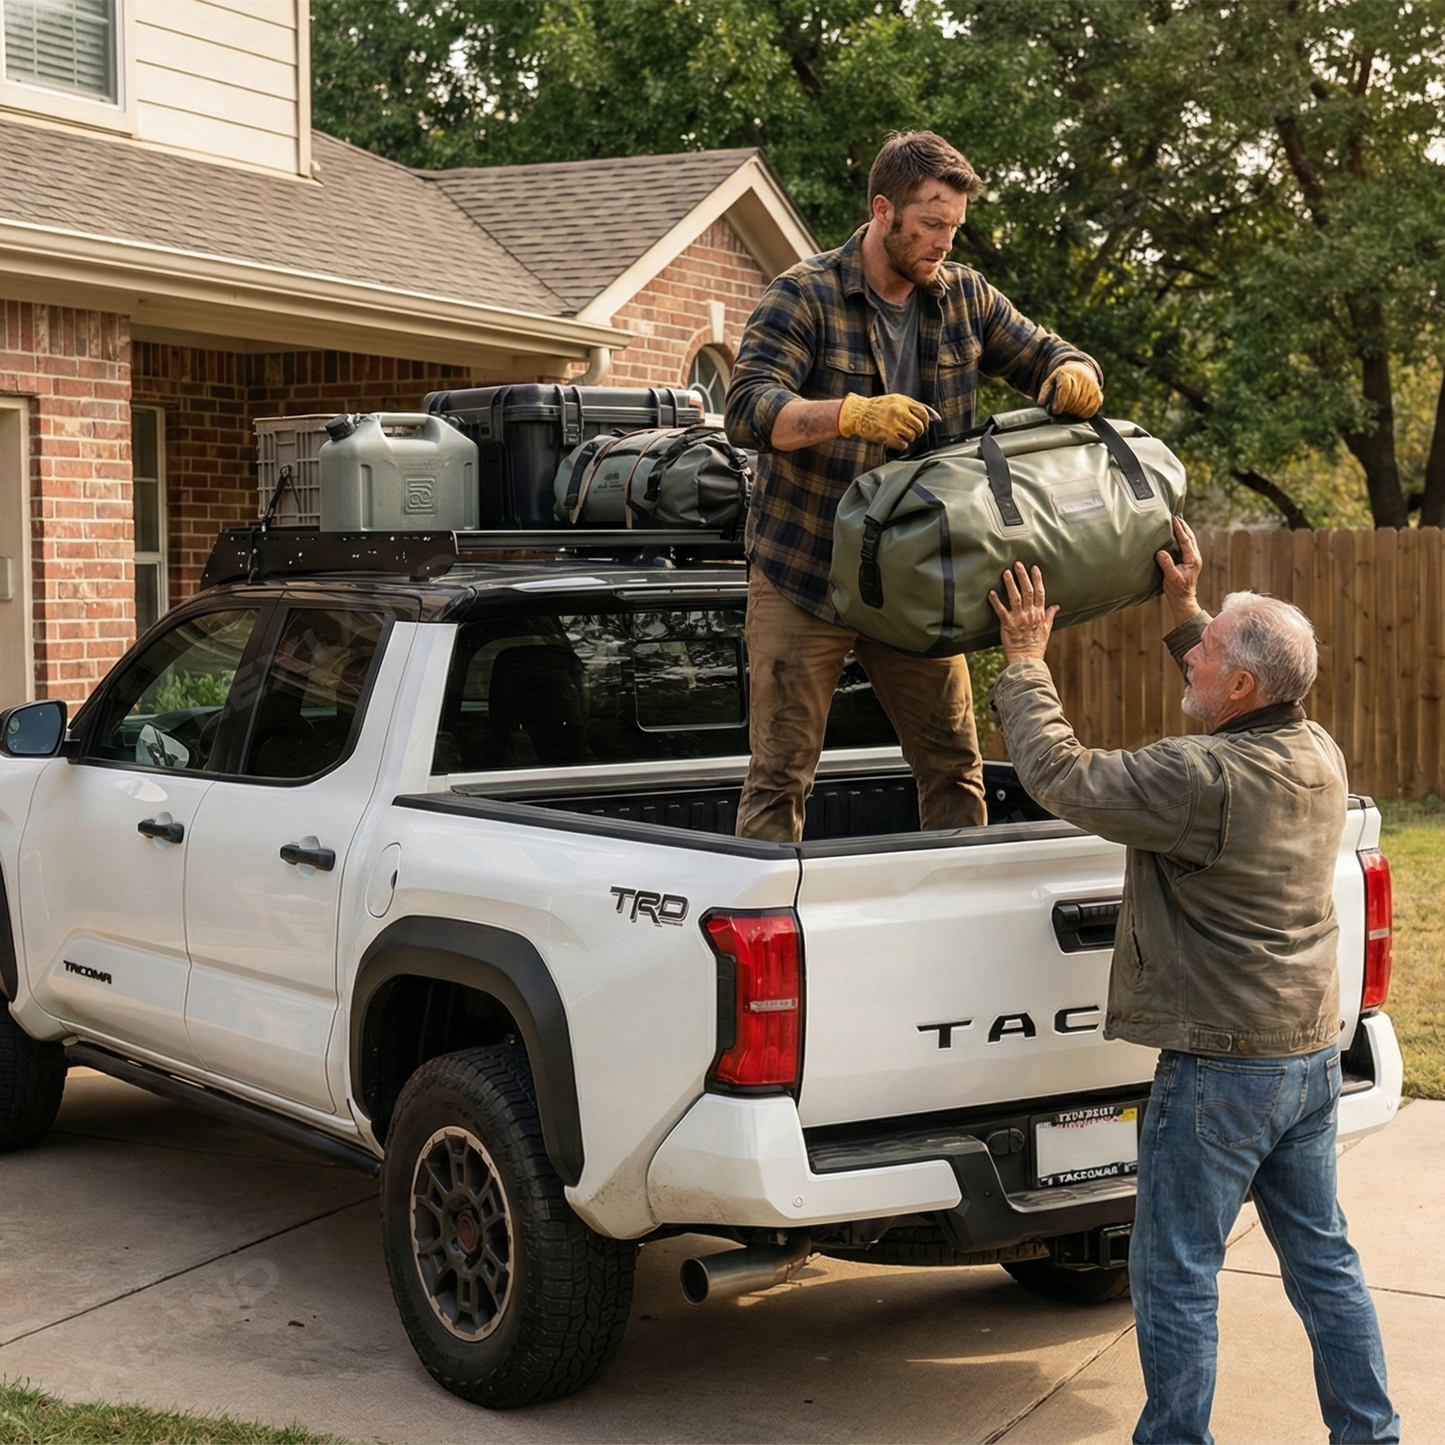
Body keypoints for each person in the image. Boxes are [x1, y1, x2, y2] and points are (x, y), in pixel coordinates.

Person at [985, 517, 1398, 1445]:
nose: (1190, 658)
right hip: (1304, 1058)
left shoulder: (1198, 776)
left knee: (1173, 1273)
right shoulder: (1317, 751)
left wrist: (1023, 662)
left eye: (1203, 651)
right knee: (1323, 1265)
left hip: (1218, 1070)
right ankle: (1370, 1433)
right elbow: (1235, 675)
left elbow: (1060, 773)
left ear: (1241, 684)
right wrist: (1182, 611)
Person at [724, 129, 1104, 842]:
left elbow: (1050, 352)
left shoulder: (964, 297)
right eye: (930, 224)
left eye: (953, 228)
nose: (943, 243)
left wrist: (1074, 372)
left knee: (954, 764)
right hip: (806, 570)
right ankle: (763, 929)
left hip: (918, 573)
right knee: (779, 774)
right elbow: (745, 408)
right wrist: (847, 413)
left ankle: (955, 919)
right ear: (882, 210)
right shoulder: (802, 295)